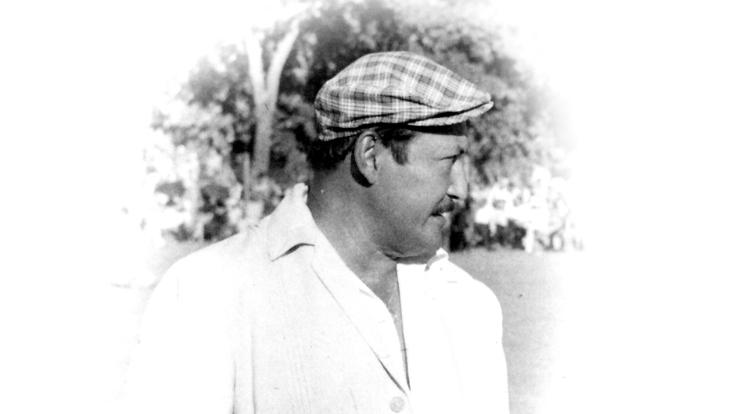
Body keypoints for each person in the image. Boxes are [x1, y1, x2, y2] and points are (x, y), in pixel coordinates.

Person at [123, 51, 509, 414]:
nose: (461, 190)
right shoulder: (208, 292)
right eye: (449, 161)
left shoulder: (469, 304)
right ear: (370, 156)